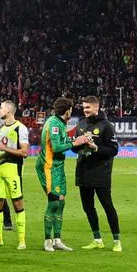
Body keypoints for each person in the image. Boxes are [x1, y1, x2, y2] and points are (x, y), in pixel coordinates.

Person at [37, 96, 92, 252]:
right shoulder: (54, 124)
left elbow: (63, 142)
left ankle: (57, 239)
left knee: (61, 202)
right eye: (71, 110)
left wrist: (77, 140)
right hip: (49, 167)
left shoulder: (60, 123)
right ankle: (47, 240)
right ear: (67, 111)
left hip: (58, 167)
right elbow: (56, 147)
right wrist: (76, 142)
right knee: (53, 201)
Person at [73, 95, 122, 251]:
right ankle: (97, 239)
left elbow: (114, 150)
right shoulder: (81, 125)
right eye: (84, 107)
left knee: (108, 206)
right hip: (83, 171)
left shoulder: (106, 126)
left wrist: (95, 147)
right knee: (88, 208)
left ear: (96, 107)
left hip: (101, 173)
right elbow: (74, 148)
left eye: (88, 107)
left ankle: (117, 242)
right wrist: (77, 144)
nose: (85, 110)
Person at [0, 100, 30, 249]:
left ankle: (22, 241)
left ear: (8, 110)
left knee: (17, 202)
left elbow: (24, 152)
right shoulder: (0, 128)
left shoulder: (21, 128)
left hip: (13, 171)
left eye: (1, 108)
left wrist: (3, 148)